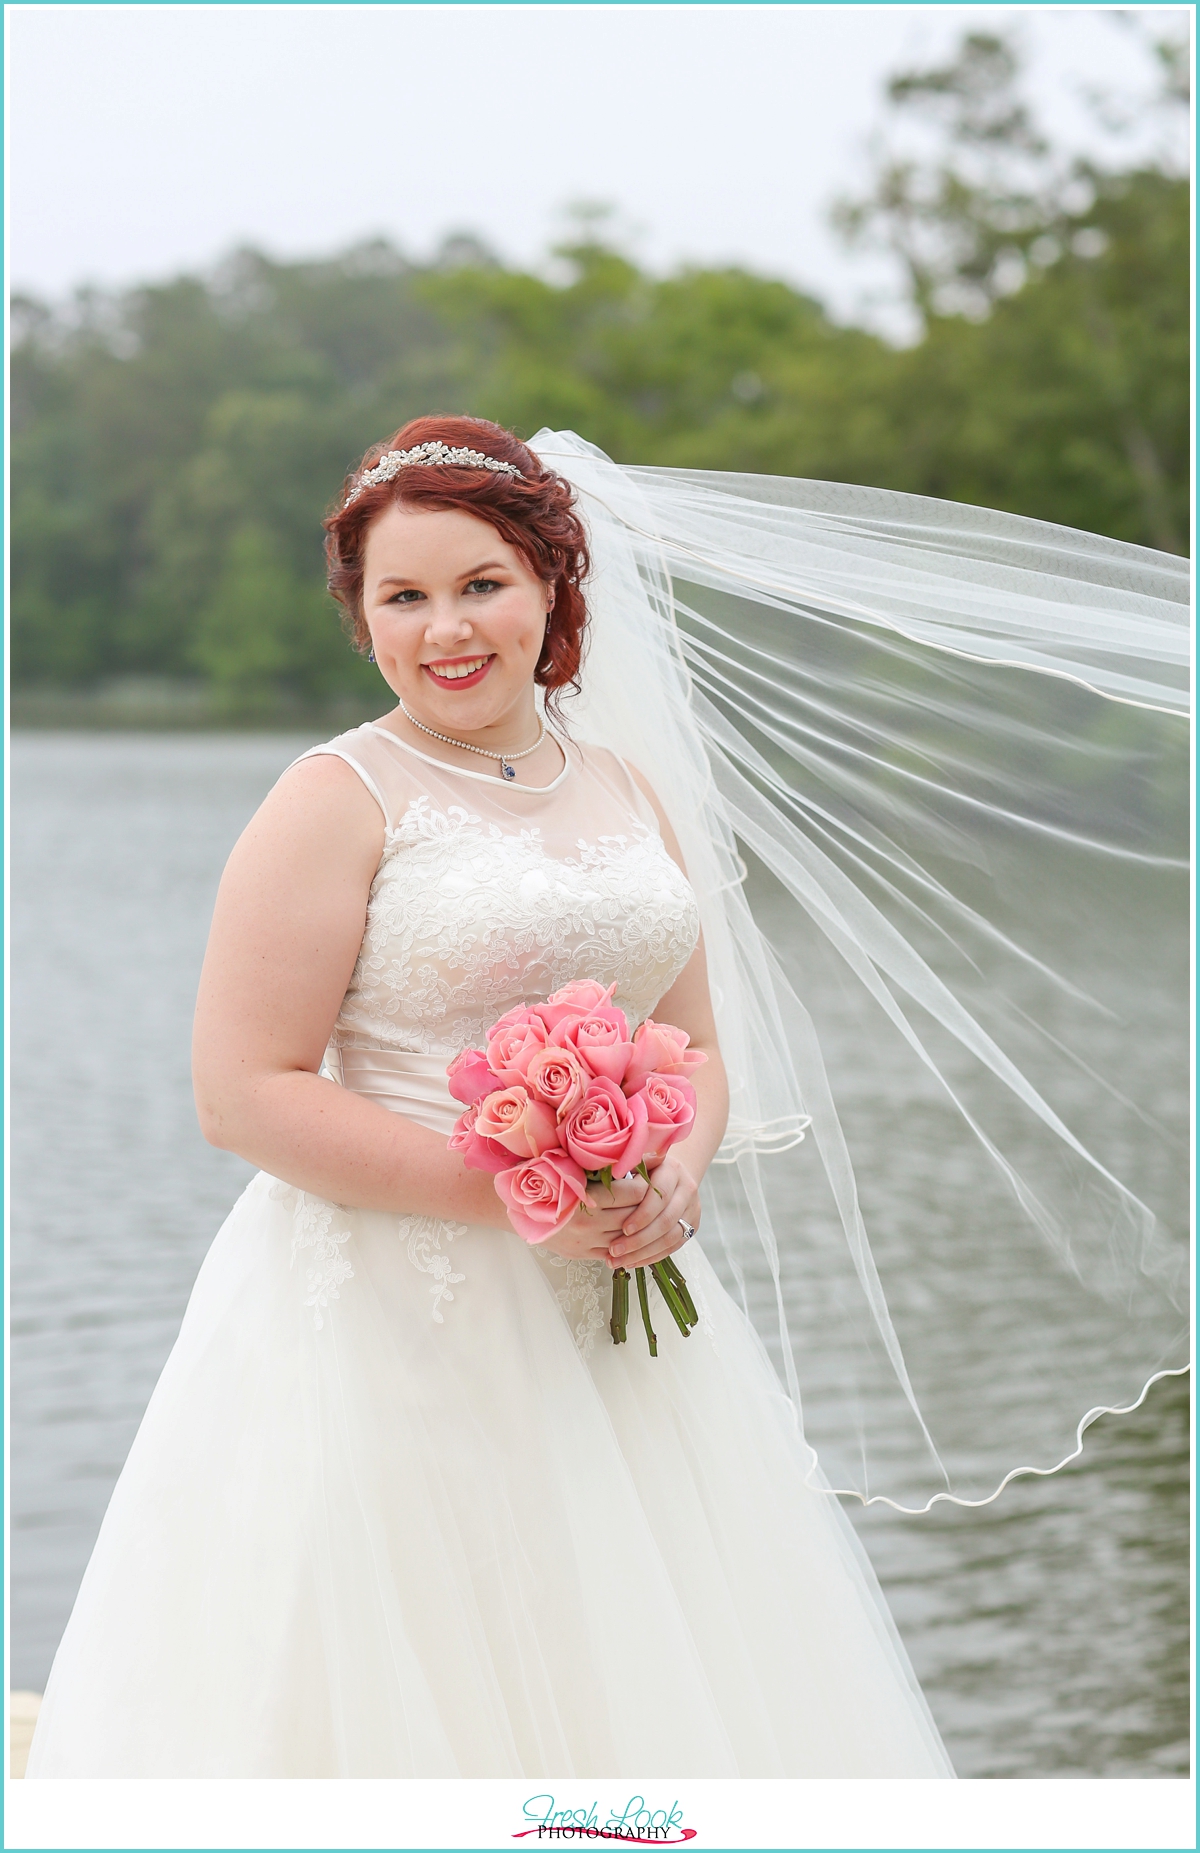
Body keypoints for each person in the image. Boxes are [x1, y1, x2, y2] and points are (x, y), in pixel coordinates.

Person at [25, 416, 955, 1778]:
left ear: (549, 589)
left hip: (613, 1317)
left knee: (643, 1668)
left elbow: (690, 1049)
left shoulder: (633, 786)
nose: (445, 629)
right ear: (362, 617)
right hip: (389, 1318)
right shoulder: (336, 798)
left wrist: (676, 1171)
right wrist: (515, 1193)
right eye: (402, 596)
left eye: (481, 584)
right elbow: (242, 1093)